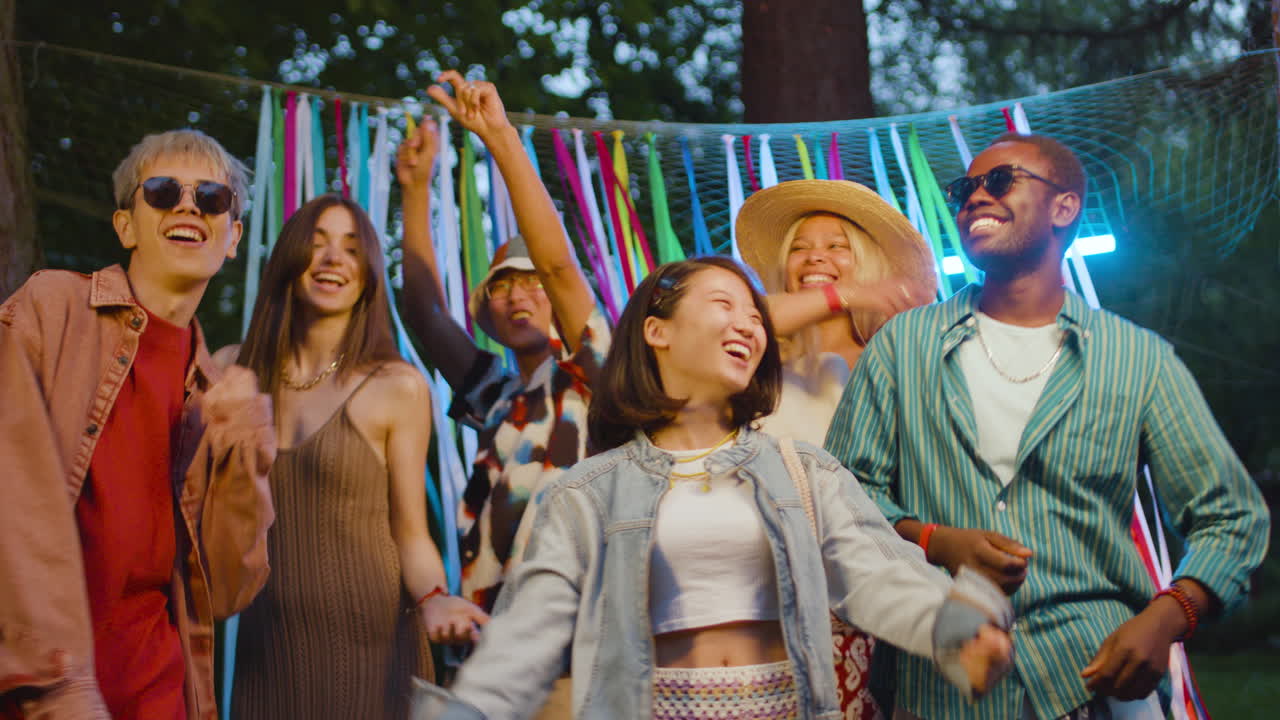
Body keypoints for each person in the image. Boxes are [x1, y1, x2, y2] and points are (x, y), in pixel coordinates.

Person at [413, 256, 1015, 720]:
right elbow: (532, 627)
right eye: (724, 304)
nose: (748, 325)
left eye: (756, 316)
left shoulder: (803, 470)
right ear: (657, 331)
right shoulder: (590, 490)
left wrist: (958, 628)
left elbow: (878, 570)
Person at [824, 132, 1271, 720]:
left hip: (1096, 677)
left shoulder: (1137, 359)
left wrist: (1167, 618)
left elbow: (1232, 518)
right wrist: (938, 539)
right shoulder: (904, 346)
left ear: (1065, 207)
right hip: (947, 681)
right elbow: (839, 503)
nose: (974, 199)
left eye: (1000, 181)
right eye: (965, 189)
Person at [0, 129, 275, 720]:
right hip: (37, 693)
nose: (187, 205)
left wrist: (246, 448)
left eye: (211, 197)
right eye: (161, 191)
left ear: (233, 238)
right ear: (126, 226)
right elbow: (9, 498)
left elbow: (226, 589)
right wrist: (55, 683)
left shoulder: (216, 394)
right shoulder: (53, 309)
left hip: (157, 698)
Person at [220, 194, 488, 720]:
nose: (332, 259)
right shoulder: (232, 373)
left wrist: (436, 595)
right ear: (289, 261)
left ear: (367, 274)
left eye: (350, 248)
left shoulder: (396, 386)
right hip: (265, 655)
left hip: (376, 656)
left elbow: (410, 530)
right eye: (316, 245)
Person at [397, 73, 610, 613]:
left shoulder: (591, 373)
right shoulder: (495, 392)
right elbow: (424, 313)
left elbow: (559, 263)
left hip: (574, 633)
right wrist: (416, 190)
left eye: (532, 280)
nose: (520, 294)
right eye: (504, 284)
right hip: (490, 634)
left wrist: (499, 138)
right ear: (487, 309)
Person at [737, 178, 938, 719]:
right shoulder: (753, 358)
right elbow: (732, 321)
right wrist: (839, 295)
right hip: (754, 592)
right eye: (799, 246)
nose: (813, 256)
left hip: (862, 598)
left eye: (835, 246)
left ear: (867, 262)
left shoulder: (893, 361)